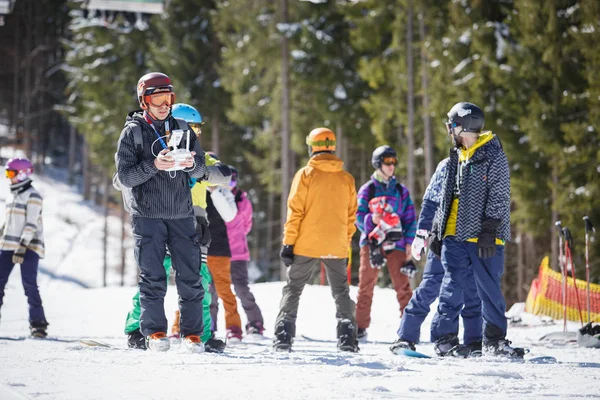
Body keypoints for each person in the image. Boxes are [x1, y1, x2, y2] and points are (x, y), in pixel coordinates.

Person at [124, 103, 228, 353]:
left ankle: (201, 334)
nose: (194, 135)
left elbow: (225, 173)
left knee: (197, 280)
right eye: (189, 128)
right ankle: (136, 329)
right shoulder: (155, 151)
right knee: (154, 277)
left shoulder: (197, 154)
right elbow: (122, 179)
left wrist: (199, 172)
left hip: (193, 224)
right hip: (160, 219)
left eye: (198, 130)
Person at [116, 72, 207, 353]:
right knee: (152, 277)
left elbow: (202, 168)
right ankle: (154, 333)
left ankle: (192, 335)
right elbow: (125, 177)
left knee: (191, 277)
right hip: (147, 216)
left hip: (181, 214)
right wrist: (155, 165)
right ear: (144, 100)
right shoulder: (132, 132)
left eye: (167, 98)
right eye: (157, 98)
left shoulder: (183, 128)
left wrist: (191, 164)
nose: (164, 104)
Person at [429, 102, 524, 358]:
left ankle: (494, 340)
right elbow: (447, 196)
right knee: (452, 286)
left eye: (451, 125)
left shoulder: (492, 155)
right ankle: (444, 338)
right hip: (454, 236)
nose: (450, 131)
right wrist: (438, 229)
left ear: (463, 125)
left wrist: (489, 229)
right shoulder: (455, 156)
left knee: (489, 288)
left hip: (485, 237)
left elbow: (500, 194)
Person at [273, 127, 358, 352]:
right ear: (332, 147)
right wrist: (344, 241)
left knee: (293, 288)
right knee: (341, 291)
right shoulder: (346, 179)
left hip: (306, 243)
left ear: (311, 146)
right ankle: (348, 336)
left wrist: (288, 243)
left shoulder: (305, 175)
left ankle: (284, 334)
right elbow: (352, 217)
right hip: (336, 246)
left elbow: (295, 211)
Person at [390, 158, 482, 356]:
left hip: (471, 241)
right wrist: (422, 233)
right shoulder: (448, 165)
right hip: (442, 239)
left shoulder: (483, 164)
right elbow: (430, 200)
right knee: (430, 287)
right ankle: (405, 337)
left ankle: (474, 341)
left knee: (471, 290)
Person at [355, 145, 416, 340]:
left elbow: (410, 218)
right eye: (387, 162)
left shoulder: (401, 190)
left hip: (397, 243)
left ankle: (409, 327)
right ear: (377, 164)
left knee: (403, 286)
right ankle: (359, 327)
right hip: (372, 243)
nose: (392, 166)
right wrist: (370, 221)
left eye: (394, 162)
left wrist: (409, 243)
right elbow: (357, 216)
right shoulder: (368, 189)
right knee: (366, 285)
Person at [0, 158, 48, 338]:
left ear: (22, 174)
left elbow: (32, 222)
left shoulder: (33, 195)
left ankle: (38, 325)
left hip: (29, 246)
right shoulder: (12, 195)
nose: (8, 178)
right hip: (8, 244)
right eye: (7, 173)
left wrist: (22, 245)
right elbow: (10, 222)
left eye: (10, 173)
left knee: (29, 284)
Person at [204, 153, 244, 341]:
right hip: (197, 247)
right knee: (193, 289)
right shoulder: (193, 187)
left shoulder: (223, 191)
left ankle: (233, 328)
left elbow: (229, 215)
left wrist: (214, 191)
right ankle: (181, 327)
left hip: (219, 249)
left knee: (225, 291)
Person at [225, 166, 264, 337]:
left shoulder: (243, 200)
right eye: (227, 180)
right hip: (217, 252)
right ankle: (208, 326)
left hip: (238, 253)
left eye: (233, 181)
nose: (230, 184)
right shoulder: (216, 197)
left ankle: (255, 322)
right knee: (210, 289)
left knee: (241, 288)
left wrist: (237, 236)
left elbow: (247, 225)